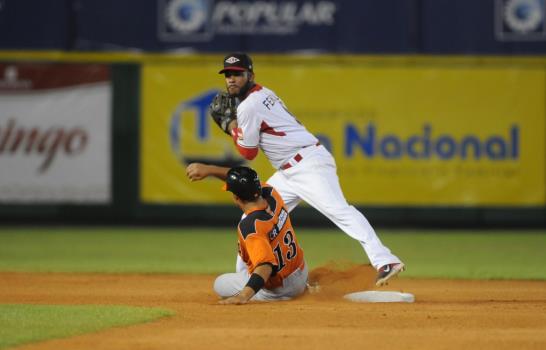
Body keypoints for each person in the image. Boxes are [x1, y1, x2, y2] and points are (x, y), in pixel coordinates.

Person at [211, 52, 404, 286]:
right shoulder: (263, 93)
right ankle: (246, 280)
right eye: (228, 74)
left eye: (237, 74)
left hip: (307, 165)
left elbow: (248, 152)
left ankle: (386, 260)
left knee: (339, 211)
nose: (231, 79)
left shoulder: (248, 106)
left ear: (250, 75)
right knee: (250, 216)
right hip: (289, 171)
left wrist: (231, 126)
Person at [187, 164, 308, 304]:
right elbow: (244, 179)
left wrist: (243, 296)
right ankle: (306, 286)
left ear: (236, 198)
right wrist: (209, 170)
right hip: (301, 272)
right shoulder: (272, 192)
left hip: (281, 289)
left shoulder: (251, 226)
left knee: (220, 284)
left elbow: (265, 266)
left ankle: (268, 295)